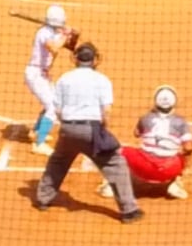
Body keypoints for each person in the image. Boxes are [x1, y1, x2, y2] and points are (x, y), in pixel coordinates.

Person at [34, 43, 143, 223]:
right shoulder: (102, 80)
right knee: (115, 164)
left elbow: (58, 110)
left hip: (67, 129)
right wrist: (102, 132)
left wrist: (69, 127)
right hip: (91, 129)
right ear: (95, 60)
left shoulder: (64, 79)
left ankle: (42, 199)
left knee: (58, 161)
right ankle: (129, 210)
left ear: (75, 58)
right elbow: (106, 111)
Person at [100, 85, 192, 200]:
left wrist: (151, 114)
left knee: (118, 151)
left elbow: (136, 133)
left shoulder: (145, 118)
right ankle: (176, 183)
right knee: (184, 156)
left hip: (144, 167)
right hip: (170, 169)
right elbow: (188, 147)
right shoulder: (181, 121)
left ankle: (111, 187)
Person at [25, 4, 76, 156]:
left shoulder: (54, 32)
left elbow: (71, 47)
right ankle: (38, 144)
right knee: (52, 107)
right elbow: (54, 48)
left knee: (54, 102)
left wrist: (73, 35)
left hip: (43, 73)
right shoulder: (44, 33)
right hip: (35, 74)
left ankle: (36, 132)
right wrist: (65, 35)